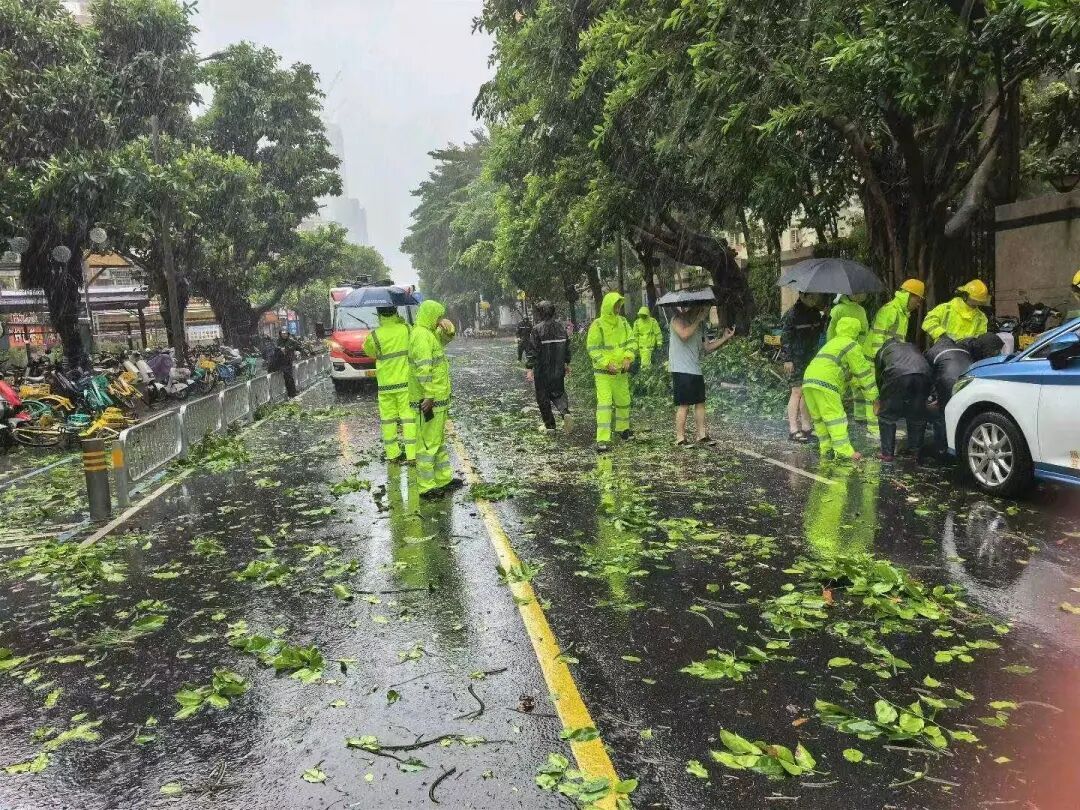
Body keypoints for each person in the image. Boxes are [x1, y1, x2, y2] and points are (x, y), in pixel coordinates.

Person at [802, 316, 879, 461]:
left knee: (819, 418)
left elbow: (849, 374)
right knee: (835, 417)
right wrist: (874, 397)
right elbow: (863, 373)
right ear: (856, 331)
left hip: (808, 380)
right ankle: (844, 452)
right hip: (827, 381)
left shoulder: (832, 343)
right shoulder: (851, 345)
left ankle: (826, 448)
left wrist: (856, 386)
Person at [408, 299, 461, 498]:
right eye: (438, 316)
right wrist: (429, 395)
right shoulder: (421, 336)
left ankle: (443, 479)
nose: (440, 319)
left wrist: (449, 328)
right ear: (430, 315)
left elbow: (444, 339)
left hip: (437, 399)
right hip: (428, 401)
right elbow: (423, 369)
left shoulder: (428, 333)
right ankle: (426, 486)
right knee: (427, 444)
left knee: (437, 441)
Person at [925, 333, 1003, 458]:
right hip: (965, 380)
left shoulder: (939, 351)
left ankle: (942, 449)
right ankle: (957, 447)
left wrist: (933, 396)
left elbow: (931, 375)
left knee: (943, 415)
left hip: (951, 381)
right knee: (960, 414)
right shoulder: (965, 351)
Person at [668, 305, 735, 446]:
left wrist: (724, 338)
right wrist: (698, 319)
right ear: (694, 308)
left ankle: (701, 435)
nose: (703, 311)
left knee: (700, 403)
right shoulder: (677, 320)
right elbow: (684, 335)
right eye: (701, 309)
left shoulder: (701, 326)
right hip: (681, 369)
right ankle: (680, 438)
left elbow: (707, 347)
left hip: (695, 369)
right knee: (684, 404)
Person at [363, 306, 416, 462]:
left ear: (379, 314)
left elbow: (369, 352)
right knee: (409, 418)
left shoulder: (374, 335)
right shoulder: (407, 329)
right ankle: (412, 454)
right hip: (405, 383)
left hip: (385, 385)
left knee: (388, 420)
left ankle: (392, 454)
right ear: (396, 312)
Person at [587, 292, 637, 452]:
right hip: (603, 374)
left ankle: (623, 430)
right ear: (609, 306)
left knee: (624, 401)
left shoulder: (623, 322)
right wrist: (606, 363)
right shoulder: (597, 325)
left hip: (621, 372)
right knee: (605, 404)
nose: (618, 308)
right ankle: (602, 439)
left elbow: (632, 341)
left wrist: (628, 357)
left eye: (619, 305)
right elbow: (592, 348)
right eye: (615, 305)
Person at [874, 338, 932, 462]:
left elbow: (879, 378)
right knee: (917, 414)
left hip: (897, 373)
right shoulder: (911, 345)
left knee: (887, 416)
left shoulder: (882, 352)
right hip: (924, 373)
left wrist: (883, 400)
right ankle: (915, 451)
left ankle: (887, 454)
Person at [780, 292, 826, 443]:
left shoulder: (815, 313)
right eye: (811, 297)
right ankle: (793, 429)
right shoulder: (792, 314)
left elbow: (820, 331)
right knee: (796, 391)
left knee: (807, 391)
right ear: (802, 295)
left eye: (815, 297)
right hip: (795, 358)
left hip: (810, 357)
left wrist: (825, 317)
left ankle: (806, 427)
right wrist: (788, 359)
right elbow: (785, 337)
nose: (814, 299)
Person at [827, 293, 874, 430]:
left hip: (853, 350)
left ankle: (859, 415)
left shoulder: (859, 310)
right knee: (843, 383)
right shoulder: (839, 309)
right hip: (844, 350)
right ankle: (836, 415)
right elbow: (831, 331)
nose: (861, 295)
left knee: (856, 384)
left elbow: (864, 331)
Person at [523, 300, 571, 432]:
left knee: (543, 397)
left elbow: (533, 350)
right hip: (558, 370)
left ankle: (550, 426)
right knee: (559, 393)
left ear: (541, 313)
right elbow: (567, 347)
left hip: (542, 371)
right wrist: (566, 363)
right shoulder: (561, 328)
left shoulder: (537, 329)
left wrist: (529, 368)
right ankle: (565, 412)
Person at [863, 279, 926, 359]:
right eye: (918, 300)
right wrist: (880, 359)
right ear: (909, 295)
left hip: (886, 358)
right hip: (873, 360)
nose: (918, 304)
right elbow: (878, 336)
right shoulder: (890, 310)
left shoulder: (903, 314)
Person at [922, 279, 990, 343]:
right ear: (965, 296)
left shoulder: (981, 318)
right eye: (975, 300)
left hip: (967, 350)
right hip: (944, 347)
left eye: (979, 301)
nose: (977, 303)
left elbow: (980, 340)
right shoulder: (946, 308)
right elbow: (928, 322)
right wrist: (942, 335)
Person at [272, 330, 303, 398]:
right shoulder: (277, 341)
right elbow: (274, 349)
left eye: (286, 333)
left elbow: (299, 347)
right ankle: (291, 394)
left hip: (288, 362)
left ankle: (292, 393)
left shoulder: (291, 341)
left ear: (288, 334)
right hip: (280, 362)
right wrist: (280, 349)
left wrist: (297, 351)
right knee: (288, 377)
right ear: (280, 334)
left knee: (289, 378)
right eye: (283, 334)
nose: (284, 335)